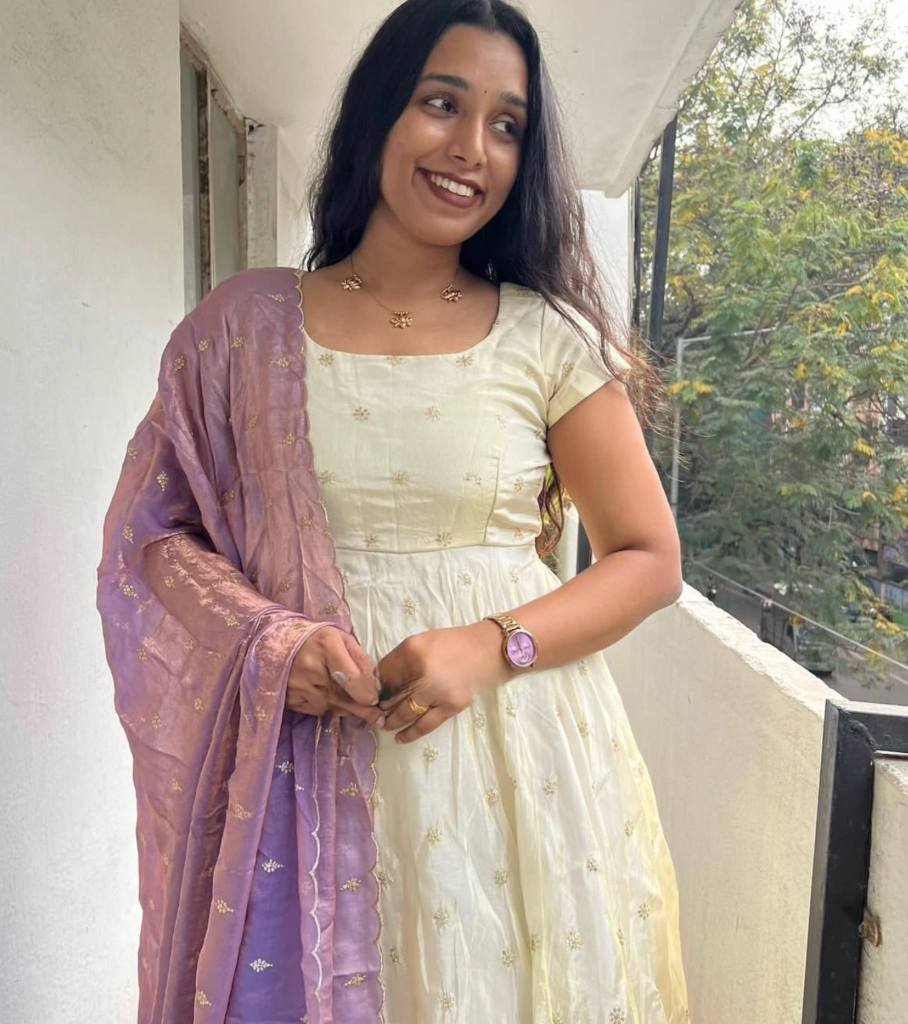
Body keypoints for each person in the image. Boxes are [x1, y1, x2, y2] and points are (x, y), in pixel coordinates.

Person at [97, 1, 690, 1021]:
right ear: (380, 110)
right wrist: (270, 641)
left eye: (506, 125)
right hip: (303, 752)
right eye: (440, 104)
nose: (470, 149)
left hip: (517, 763)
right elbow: (155, 539)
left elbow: (648, 558)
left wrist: (489, 646)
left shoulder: (544, 339)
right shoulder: (239, 328)